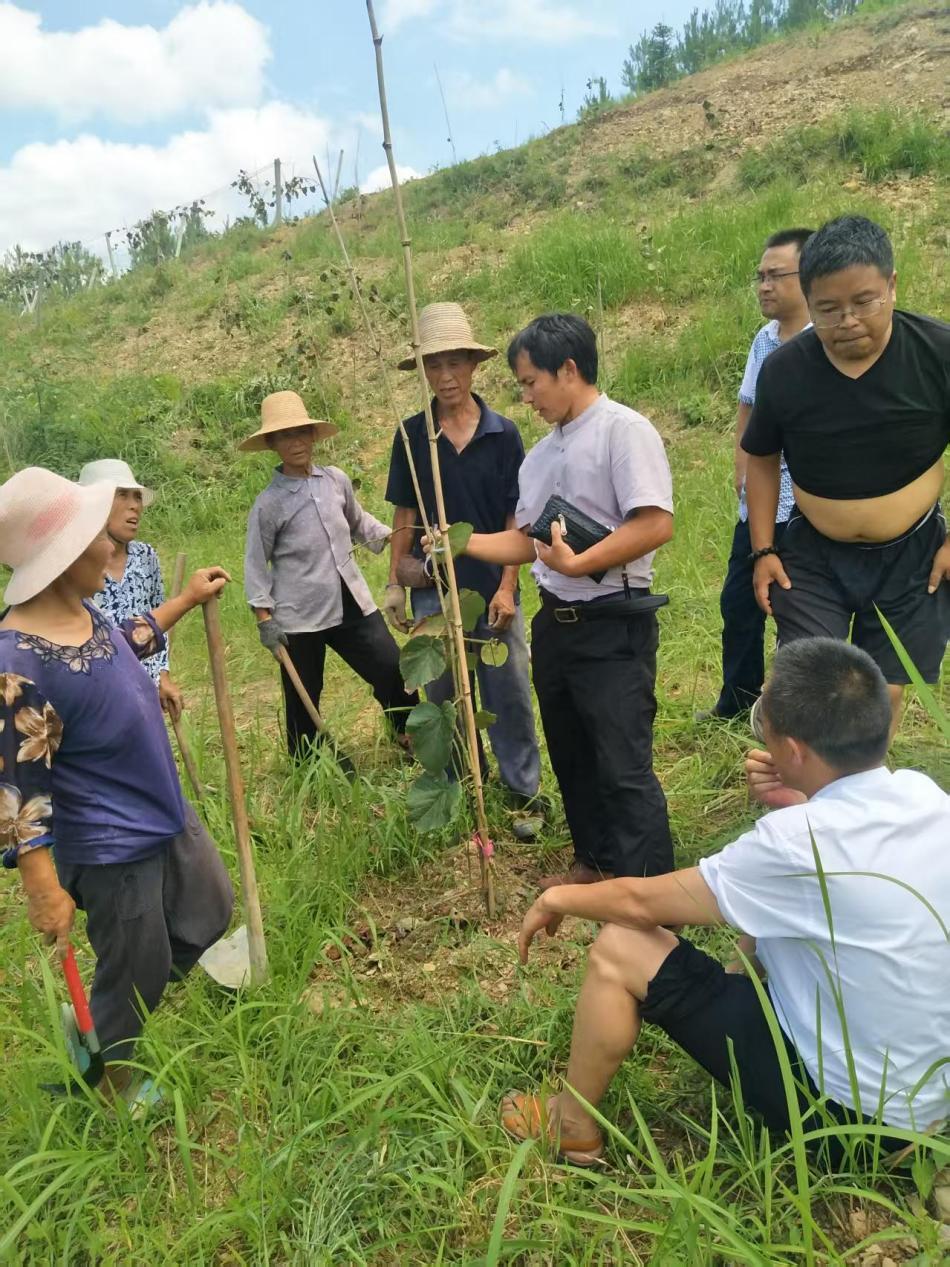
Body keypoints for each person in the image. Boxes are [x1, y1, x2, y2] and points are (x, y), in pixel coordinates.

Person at [502, 639, 950, 1167]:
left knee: (622, 946)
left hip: (849, 1127)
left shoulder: (797, 842)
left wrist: (560, 895)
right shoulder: (927, 798)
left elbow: (642, 903)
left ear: (794, 751)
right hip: (929, 1109)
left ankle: (571, 1125)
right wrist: (802, 800)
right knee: (776, 914)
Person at [0, 467, 234, 1104]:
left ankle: (119, 1014)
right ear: (63, 556)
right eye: (96, 537)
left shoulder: (85, 612)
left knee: (211, 912)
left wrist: (183, 601)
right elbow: (18, 788)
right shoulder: (19, 661)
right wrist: (41, 887)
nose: (111, 548)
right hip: (111, 846)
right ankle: (109, 1082)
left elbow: (130, 645)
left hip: (164, 812)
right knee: (135, 971)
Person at [440, 313, 674, 887]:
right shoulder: (540, 456)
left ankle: (648, 889)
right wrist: (457, 542)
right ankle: (594, 863)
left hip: (613, 623)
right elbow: (525, 539)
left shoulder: (624, 431)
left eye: (529, 382)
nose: (526, 397)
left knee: (622, 761)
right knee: (571, 752)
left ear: (568, 369)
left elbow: (653, 523)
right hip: (557, 624)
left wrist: (581, 562)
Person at [742, 215, 949, 772]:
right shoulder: (786, 371)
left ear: (893, 286)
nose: (848, 321)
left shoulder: (937, 352)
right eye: (829, 309)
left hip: (915, 554)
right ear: (808, 302)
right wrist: (763, 550)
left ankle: (860, 804)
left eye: (866, 301)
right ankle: (793, 803)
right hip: (813, 554)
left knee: (885, 694)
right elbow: (760, 457)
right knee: (806, 685)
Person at [383, 302, 542, 814]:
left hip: (492, 587)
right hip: (434, 593)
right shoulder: (412, 437)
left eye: (455, 363)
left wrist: (507, 586)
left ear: (474, 366)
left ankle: (523, 792)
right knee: (443, 699)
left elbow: (515, 516)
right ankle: (458, 789)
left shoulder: (504, 433)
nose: (445, 376)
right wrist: (394, 582)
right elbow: (404, 514)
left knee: (508, 692)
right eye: (435, 365)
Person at [242, 390, 417, 762]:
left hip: (350, 600)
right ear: (272, 444)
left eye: (301, 432)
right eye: (285, 436)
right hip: (299, 615)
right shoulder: (269, 504)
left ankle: (406, 731)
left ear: (312, 435)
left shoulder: (334, 481)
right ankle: (309, 763)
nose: (296, 443)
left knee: (391, 666)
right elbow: (256, 564)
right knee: (303, 695)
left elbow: (359, 522)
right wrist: (265, 620)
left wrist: (396, 536)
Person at [700, 228, 814, 720]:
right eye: (760, 276)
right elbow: (747, 408)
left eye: (776, 276)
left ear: (809, 278)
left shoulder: (824, 344)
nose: (764, 286)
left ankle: (793, 716)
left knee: (798, 614)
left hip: (807, 509)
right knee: (737, 605)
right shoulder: (764, 340)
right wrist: (740, 470)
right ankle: (738, 701)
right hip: (759, 507)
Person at [77, 458, 185, 722]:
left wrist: (163, 677)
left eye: (137, 496)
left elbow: (159, 618)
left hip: (143, 690)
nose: (135, 505)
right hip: (98, 696)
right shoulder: (77, 566)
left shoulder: (145, 556)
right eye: (121, 495)